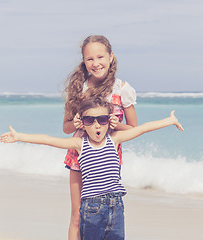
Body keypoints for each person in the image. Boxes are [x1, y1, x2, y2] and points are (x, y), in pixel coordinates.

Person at [0, 97, 184, 240]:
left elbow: (142, 128)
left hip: (116, 206)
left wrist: (169, 121)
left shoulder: (115, 139)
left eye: (102, 119)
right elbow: (48, 140)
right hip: (92, 208)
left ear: (109, 121)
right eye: (90, 120)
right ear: (82, 122)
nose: (97, 125)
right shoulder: (79, 144)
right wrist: (19, 136)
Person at [63, 35, 138, 239]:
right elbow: (66, 128)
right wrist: (76, 124)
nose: (96, 63)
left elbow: (132, 128)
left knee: (108, 214)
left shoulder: (122, 90)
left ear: (111, 57)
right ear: (84, 61)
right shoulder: (79, 88)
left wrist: (117, 125)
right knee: (77, 215)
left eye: (100, 57)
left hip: (108, 158)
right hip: (79, 156)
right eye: (90, 59)